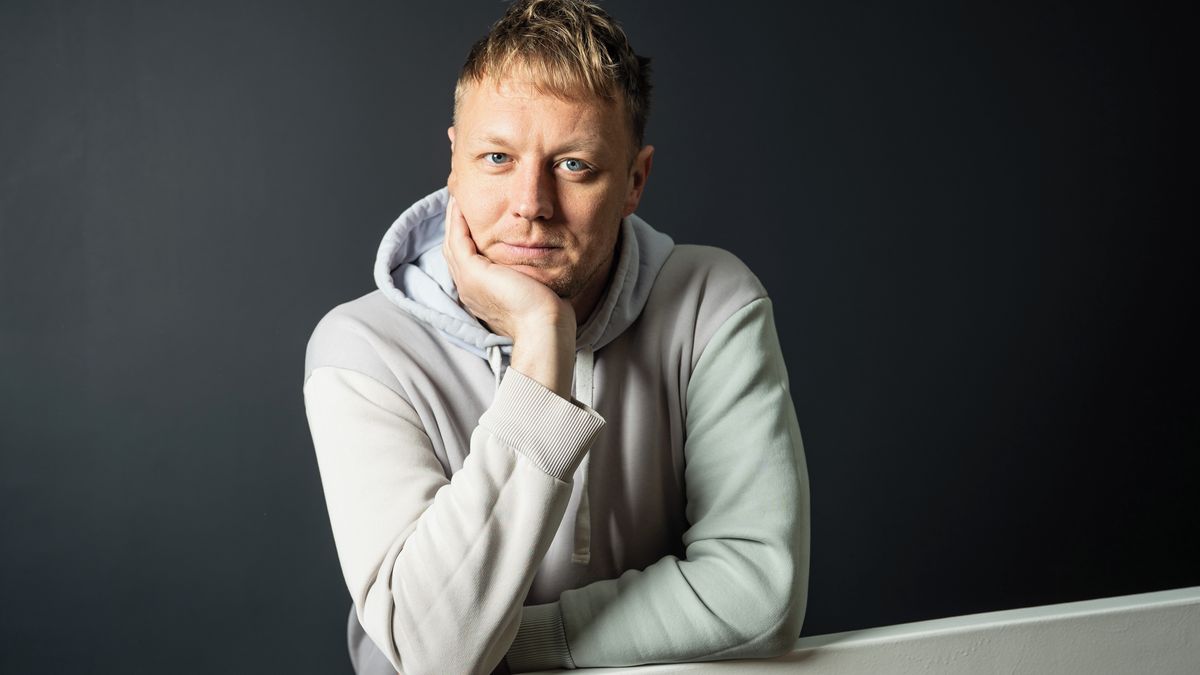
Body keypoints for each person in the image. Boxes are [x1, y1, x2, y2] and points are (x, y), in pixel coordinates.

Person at [302, 1, 810, 673]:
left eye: (573, 166)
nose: (531, 204)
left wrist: (519, 647)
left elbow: (758, 592)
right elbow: (434, 654)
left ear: (634, 181)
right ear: (454, 161)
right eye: (496, 157)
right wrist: (543, 343)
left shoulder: (711, 304)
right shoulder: (362, 350)